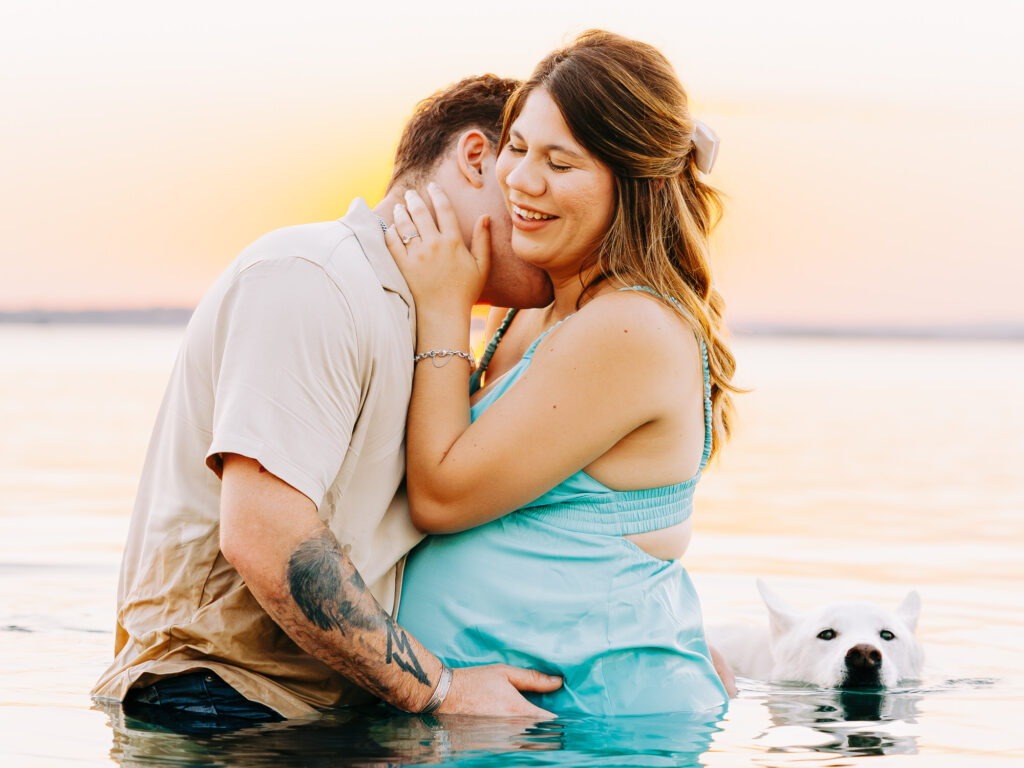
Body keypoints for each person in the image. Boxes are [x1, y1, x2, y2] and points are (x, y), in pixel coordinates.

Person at [90, 74, 564, 729]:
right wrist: (442, 690)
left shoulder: (425, 325)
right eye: (540, 175)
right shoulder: (315, 276)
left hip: (323, 715)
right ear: (479, 157)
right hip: (215, 710)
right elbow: (264, 532)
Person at [388, 30, 740, 716]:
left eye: (560, 162)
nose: (520, 179)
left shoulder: (628, 328)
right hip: (512, 733)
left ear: (634, 184)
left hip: (600, 730)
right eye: (517, 147)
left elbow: (441, 496)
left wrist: (444, 307)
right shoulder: (541, 310)